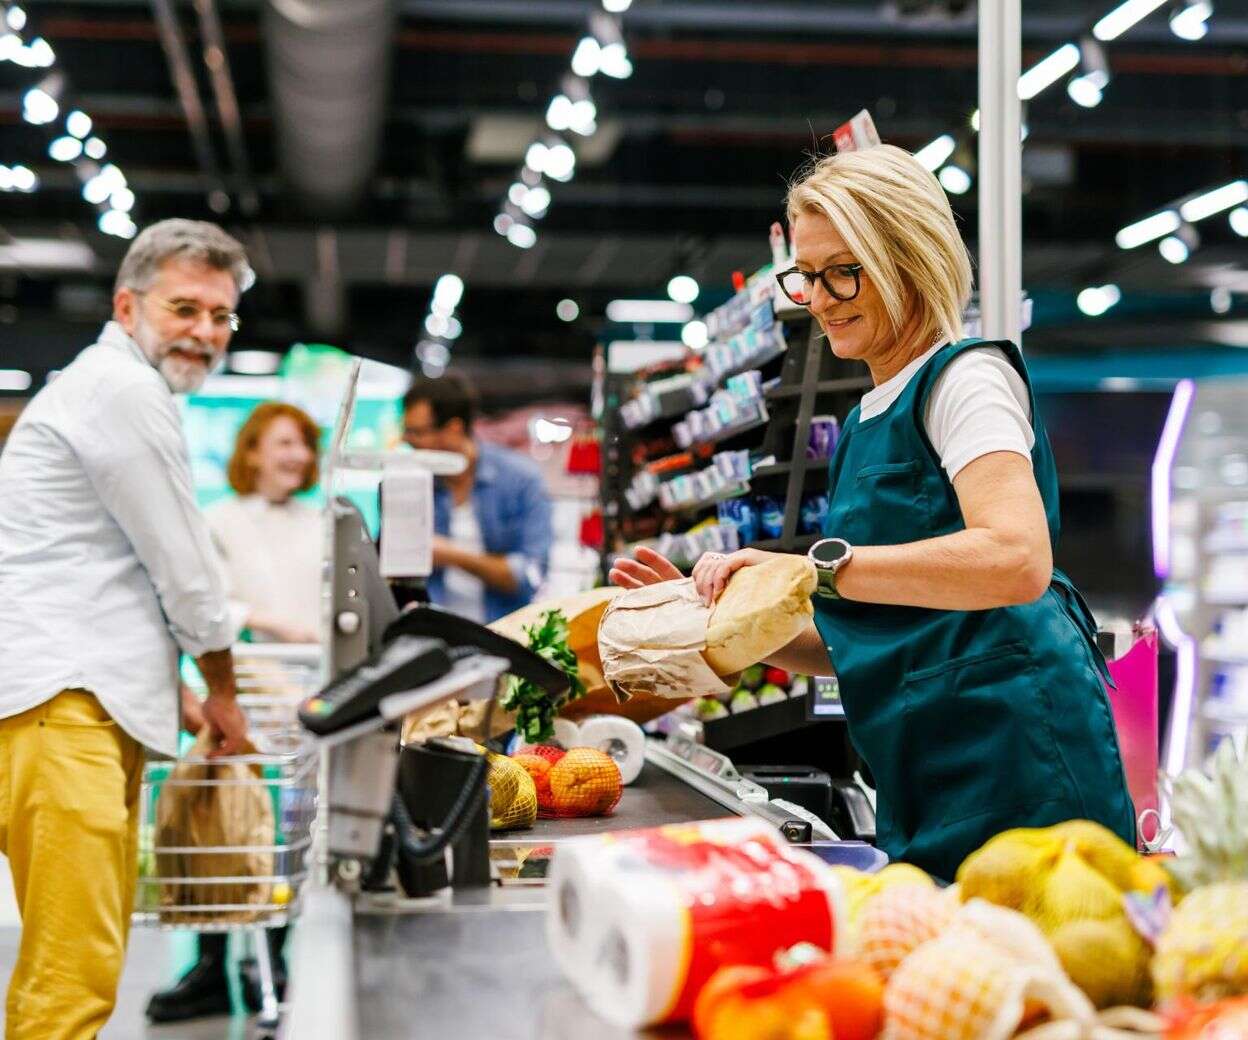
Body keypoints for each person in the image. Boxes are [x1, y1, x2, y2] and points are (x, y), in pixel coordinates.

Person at [611, 144, 1135, 882]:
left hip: (1016, 754)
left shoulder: (966, 382)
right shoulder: (865, 419)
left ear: (909, 256)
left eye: (842, 271)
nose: (819, 298)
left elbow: (1017, 561)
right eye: (806, 276)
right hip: (924, 759)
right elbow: (863, 638)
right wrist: (715, 624)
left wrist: (818, 568)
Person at [0, 218, 250, 1039]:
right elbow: (184, 569)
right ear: (128, 303)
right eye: (186, 308)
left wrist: (171, 690)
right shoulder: (124, 390)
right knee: (72, 979)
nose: (204, 333)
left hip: (61, 703)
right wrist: (222, 695)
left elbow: (95, 568)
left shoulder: (99, 387)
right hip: (64, 715)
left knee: (66, 965)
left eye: (221, 318)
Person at [145, 401, 320, 1023]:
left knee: (289, 838)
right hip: (241, 693)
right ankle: (212, 966)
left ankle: (270, 961)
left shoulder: (322, 520)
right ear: (250, 452)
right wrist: (278, 624)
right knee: (221, 829)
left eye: (303, 443)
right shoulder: (218, 520)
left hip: (309, 697)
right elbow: (212, 601)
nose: (296, 455)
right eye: (282, 443)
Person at [402, 372, 553, 624]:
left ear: (453, 429)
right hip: (430, 636)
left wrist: (451, 554)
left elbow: (529, 576)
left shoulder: (520, 480)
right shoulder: (409, 486)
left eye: (418, 432)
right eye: (407, 432)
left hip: (503, 637)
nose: (409, 442)